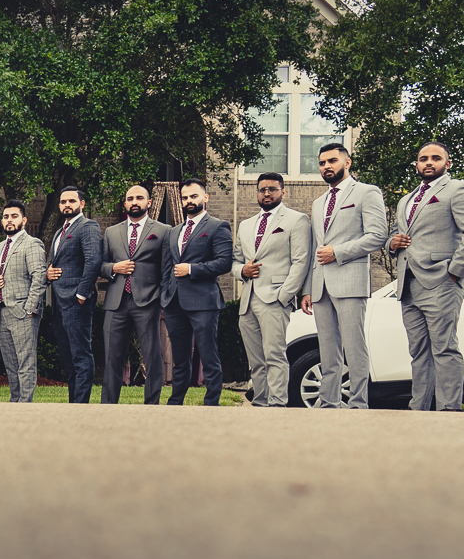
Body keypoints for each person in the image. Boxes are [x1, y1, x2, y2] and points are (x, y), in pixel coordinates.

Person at [388, 143, 464, 412]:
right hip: (408, 285)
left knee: (444, 349)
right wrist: (391, 243)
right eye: (423, 159)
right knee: (418, 352)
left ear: (448, 163)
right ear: (417, 165)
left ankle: (449, 410)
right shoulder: (406, 199)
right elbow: (400, 236)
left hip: (442, 281)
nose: (428, 163)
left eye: (435, 158)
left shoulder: (458, 189)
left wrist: (455, 270)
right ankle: (419, 410)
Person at [299, 142, 390, 409]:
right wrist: (307, 289)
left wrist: (338, 252)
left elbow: (377, 236)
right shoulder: (318, 203)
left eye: (332, 161)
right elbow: (315, 249)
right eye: (322, 163)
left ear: (347, 163)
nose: (327, 166)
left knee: (354, 348)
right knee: (327, 350)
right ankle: (328, 403)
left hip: (350, 282)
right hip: (320, 287)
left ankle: (358, 404)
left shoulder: (366, 192)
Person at [233, 174, 312, 407]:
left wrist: (284, 296)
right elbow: (235, 261)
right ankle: (260, 402)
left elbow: (301, 262)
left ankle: (277, 405)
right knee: (255, 360)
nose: (266, 193)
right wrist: (242, 272)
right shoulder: (246, 225)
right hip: (247, 299)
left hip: (275, 298)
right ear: (256, 193)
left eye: (272, 189)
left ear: (283, 191)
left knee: (274, 356)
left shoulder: (297, 220)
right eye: (262, 190)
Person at [161, 179, 234, 406]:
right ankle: (176, 402)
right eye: (185, 197)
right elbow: (167, 267)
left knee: (208, 355)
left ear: (205, 197)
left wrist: (192, 269)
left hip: (203, 302)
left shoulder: (217, 226)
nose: (189, 201)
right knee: (180, 360)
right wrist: (165, 293)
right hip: (174, 303)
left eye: (193, 196)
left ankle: (211, 403)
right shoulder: (174, 232)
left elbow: (224, 263)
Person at [100, 185, 174, 404]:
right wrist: (114, 268)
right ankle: (108, 406)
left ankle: (151, 405)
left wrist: (161, 299)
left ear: (149, 203)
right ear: (125, 203)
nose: (135, 201)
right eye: (130, 198)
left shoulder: (163, 230)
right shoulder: (111, 232)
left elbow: (167, 269)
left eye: (139, 198)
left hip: (148, 301)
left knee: (152, 357)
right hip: (116, 302)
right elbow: (101, 265)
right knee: (112, 358)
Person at [43, 185, 100, 403]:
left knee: (81, 355)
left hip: (77, 302)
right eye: (63, 202)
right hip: (59, 302)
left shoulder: (88, 227)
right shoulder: (59, 231)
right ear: (59, 206)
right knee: (67, 359)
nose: (67, 205)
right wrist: (48, 273)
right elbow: (57, 263)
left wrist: (82, 295)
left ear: (82, 204)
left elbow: (93, 261)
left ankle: (81, 404)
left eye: (72, 201)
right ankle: (72, 404)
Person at [0, 201, 46, 402]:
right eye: (6, 217)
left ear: (24, 220)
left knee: (25, 362)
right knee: (10, 364)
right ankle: (14, 403)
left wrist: (30, 309)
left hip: (23, 312)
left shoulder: (32, 244)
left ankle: (25, 405)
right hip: (1, 313)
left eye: (14, 216)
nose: (9, 220)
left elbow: (39, 277)